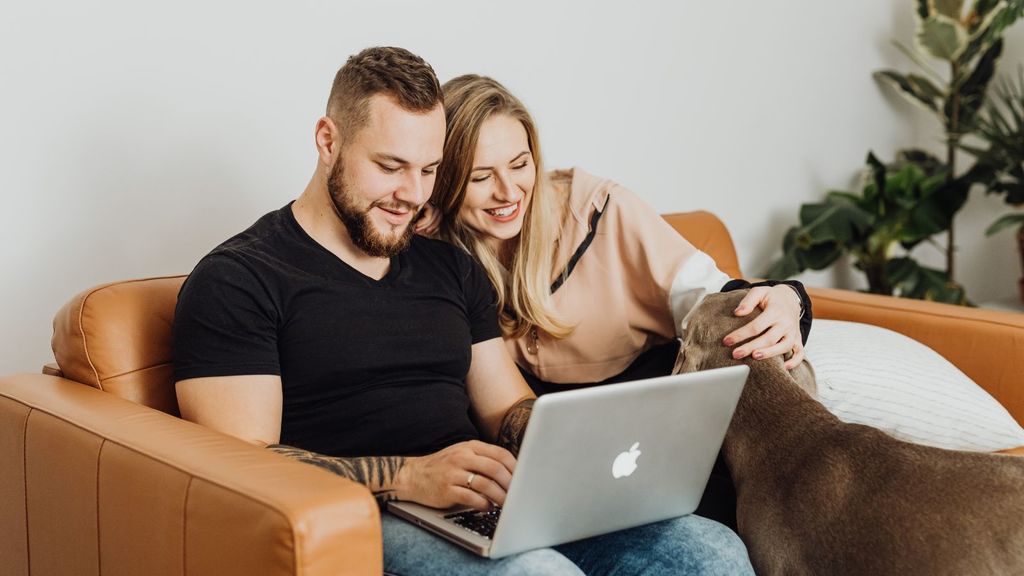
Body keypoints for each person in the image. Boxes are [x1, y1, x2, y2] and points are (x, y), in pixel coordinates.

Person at [172, 47, 754, 575]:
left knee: (708, 551)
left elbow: (507, 409)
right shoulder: (239, 280)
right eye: (390, 166)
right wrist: (409, 476)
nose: (412, 194)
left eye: (428, 171)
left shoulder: (448, 268)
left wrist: (580, 450)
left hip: (482, 505)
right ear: (328, 141)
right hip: (365, 518)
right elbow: (241, 466)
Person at [423, 74, 813, 526]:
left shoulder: (600, 211)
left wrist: (789, 298)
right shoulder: (436, 254)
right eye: (481, 176)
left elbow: (714, 300)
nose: (509, 192)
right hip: (565, 462)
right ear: (445, 181)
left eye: (519, 164)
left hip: (666, 427)